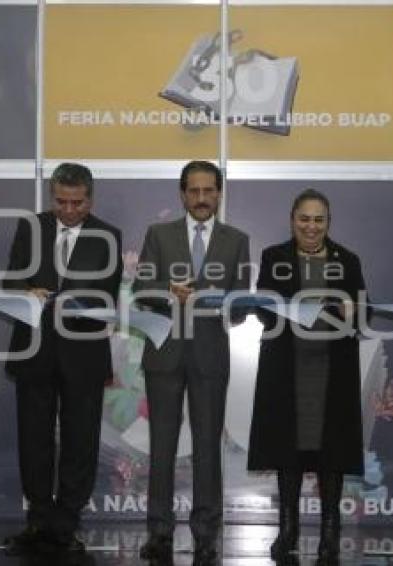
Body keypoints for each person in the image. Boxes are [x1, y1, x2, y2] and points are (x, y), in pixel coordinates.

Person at [134, 160, 250, 566]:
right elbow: (141, 289)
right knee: (162, 449)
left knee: (207, 448)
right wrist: (167, 291)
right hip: (165, 353)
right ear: (183, 194)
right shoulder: (158, 234)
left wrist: (228, 304)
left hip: (210, 354)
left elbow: (241, 303)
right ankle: (159, 533)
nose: (202, 199)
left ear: (219, 194)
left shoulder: (237, 240)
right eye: (194, 191)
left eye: (209, 191)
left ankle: (206, 535)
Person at [3, 163, 123, 556]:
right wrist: (29, 291)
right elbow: (10, 282)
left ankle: (66, 522)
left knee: (81, 441)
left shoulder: (108, 236)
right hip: (35, 348)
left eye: (77, 203)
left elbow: (107, 295)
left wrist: (75, 300)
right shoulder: (31, 227)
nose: (69, 210)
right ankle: (37, 520)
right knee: (33, 439)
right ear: (51, 196)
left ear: (90, 198)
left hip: (84, 352)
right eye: (61, 202)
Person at [247, 190, 367, 566]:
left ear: (328, 222)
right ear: (292, 219)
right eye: (304, 219)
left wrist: (353, 310)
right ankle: (289, 531)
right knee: (289, 452)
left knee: (330, 453)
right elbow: (264, 313)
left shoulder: (348, 260)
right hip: (288, 368)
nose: (311, 227)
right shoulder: (274, 257)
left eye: (319, 220)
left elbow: (364, 317)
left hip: (332, 369)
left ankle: (331, 533)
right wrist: (276, 307)